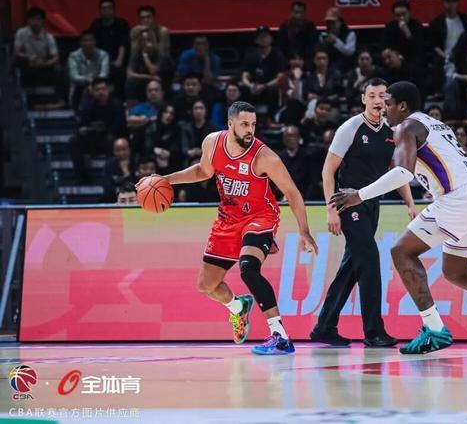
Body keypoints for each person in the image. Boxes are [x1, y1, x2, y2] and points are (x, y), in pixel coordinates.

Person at [331, 81, 467, 353]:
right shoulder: (436, 125)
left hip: (460, 197)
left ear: (403, 106)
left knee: (401, 252)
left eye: (388, 103)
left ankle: (434, 330)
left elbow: (403, 173)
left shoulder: (406, 127)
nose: (384, 109)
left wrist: (359, 195)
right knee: (457, 271)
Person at [138, 101, 318, 355]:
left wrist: (304, 231)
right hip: (228, 219)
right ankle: (238, 308)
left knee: (248, 269)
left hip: (260, 216)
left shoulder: (265, 157)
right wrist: (165, 180)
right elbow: (202, 171)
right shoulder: (212, 143)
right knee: (206, 285)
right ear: (230, 123)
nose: (250, 130)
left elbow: (292, 193)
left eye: (253, 124)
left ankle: (280, 336)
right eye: (244, 124)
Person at [312, 78, 417, 347]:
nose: (378, 100)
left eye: (383, 96)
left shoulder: (392, 131)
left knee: (352, 266)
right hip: (348, 202)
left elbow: (397, 171)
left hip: (372, 204)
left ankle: (324, 327)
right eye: (372, 95)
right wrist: (331, 210)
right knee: (369, 262)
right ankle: (374, 332)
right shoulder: (350, 128)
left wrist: (409, 202)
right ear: (363, 99)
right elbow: (327, 170)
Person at [89, 0, 130, 98]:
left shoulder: (122, 24)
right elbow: (92, 44)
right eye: (103, 8)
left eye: (109, 8)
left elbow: (123, 43)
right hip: (100, 59)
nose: (106, 10)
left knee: (119, 71)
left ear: (114, 10)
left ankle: (119, 99)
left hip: (118, 60)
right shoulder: (96, 25)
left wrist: (119, 60)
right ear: (100, 10)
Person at [241, 26, 287, 116]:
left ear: (271, 39)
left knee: (273, 91)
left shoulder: (277, 55)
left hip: (270, 86)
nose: (264, 39)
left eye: (266, 36)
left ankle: (272, 117)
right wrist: (250, 86)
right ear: (256, 40)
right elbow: (244, 76)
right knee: (243, 89)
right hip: (254, 86)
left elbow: (280, 77)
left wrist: (264, 86)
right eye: (261, 36)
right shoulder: (251, 55)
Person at [125, 28, 173, 103]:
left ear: (154, 41)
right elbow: (129, 74)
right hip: (146, 79)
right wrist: (149, 77)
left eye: (148, 39)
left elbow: (153, 71)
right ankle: (133, 107)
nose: (146, 43)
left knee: (155, 83)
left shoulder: (160, 54)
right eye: (143, 40)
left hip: (160, 80)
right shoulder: (137, 54)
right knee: (130, 83)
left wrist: (145, 56)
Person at [68, 30, 110, 110]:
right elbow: (74, 76)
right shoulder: (73, 56)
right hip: (80, 85)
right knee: (82, 90)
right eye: (85, 40)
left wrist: (94, 84)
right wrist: (88, 81)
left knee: (101, 90)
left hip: (99, 84)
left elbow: (104, 74)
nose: (88, 43)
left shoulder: (103, 54)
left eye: (90, 40)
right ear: (80, 42)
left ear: (95, 42)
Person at [319, 7, 356, 71]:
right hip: (328, 66)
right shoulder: (324, 35)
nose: (330, 25)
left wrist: (336, 41)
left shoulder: (350, 34)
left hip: (347, 66)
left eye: (333, 22)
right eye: (329, 23)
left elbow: (349, 52)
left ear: (340, 22)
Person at [181, 100, 214, 166]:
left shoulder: (212, 128)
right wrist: (190, 152)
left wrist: (201, 152)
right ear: (192, 111)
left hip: (207, 159)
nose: (198, 111)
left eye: (201, 108)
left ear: (205, 111)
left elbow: (213, 149)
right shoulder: (186, 128)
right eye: (196, 108)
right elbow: (184, 148)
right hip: (190, 159)